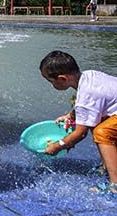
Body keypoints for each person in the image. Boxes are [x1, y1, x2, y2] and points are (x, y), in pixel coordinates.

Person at [40, 51, 117, 194]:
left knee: (103, 132)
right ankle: (108, 165)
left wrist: (58, 146)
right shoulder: (89, 75)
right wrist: (71, 115)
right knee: (98, 123)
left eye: (51, 81)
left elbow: (80, 133)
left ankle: (115, 186)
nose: (51, 86)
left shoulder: (85, 96)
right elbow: (94, 103)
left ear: (62, 79)